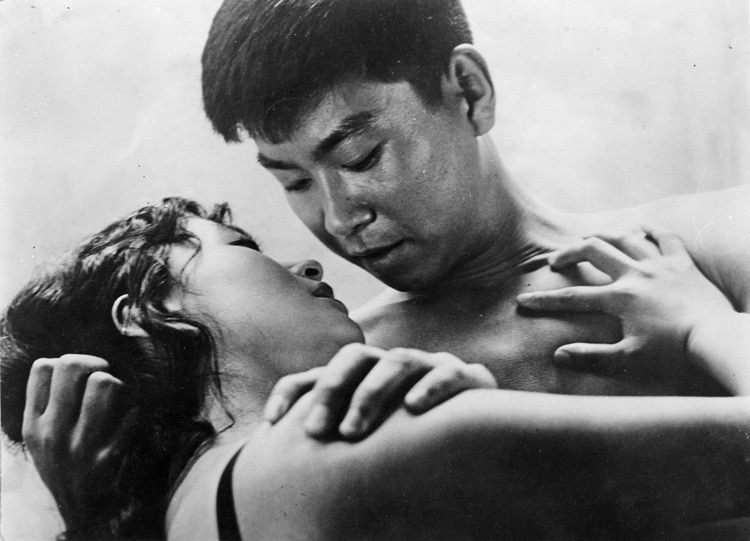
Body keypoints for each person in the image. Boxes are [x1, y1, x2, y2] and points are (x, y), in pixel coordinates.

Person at [22, 0, 750, 535]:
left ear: (468, 91)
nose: (339, 220)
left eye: (361, 156)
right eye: (293, 181)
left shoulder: (699, 245)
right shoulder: (333, 379)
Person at [4, 198, 749, 540]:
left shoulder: (188, 518)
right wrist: (701, 320)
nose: (305, 263)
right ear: (144, 312)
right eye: (242, 247)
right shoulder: (346, 436)